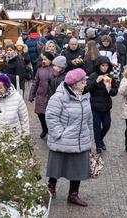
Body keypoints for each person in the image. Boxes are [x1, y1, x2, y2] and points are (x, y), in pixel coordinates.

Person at [45, 68, 93, 207]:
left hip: (80, 139)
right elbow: (51, 116)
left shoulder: (85, 95)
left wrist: (89, 136)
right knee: (56, 166)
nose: (85, 84)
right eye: (82, 82)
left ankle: (73, 194)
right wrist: (60, 133)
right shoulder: (59, 97)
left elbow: (89, 117)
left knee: (77, 168)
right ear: (74, 84)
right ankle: (50, 188)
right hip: (63, 139)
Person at [87, 56, 119, 153]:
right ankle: (98, 145)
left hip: (106, 106)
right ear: (98, 66)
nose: (104, 67)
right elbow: (87, 89)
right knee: (96, 127)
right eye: (102, 65)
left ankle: (100, 140)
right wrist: (96, 82)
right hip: (95, 106)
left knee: (107, 125)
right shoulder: (93, 76)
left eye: (106, 66)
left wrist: (110, 89)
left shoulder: (110, 77)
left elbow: (115, 92)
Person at [29, 52, 55, 138]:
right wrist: (31, 95)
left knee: (49, 114)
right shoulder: (40, 69)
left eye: (45, 59)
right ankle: (44, 129)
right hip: (41, 94)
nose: (43, 61)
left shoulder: (54, 69)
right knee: (40, 113)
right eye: (43, 59)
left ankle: (51, 130)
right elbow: (35, 82)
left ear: (50, 60)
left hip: (51, 95)